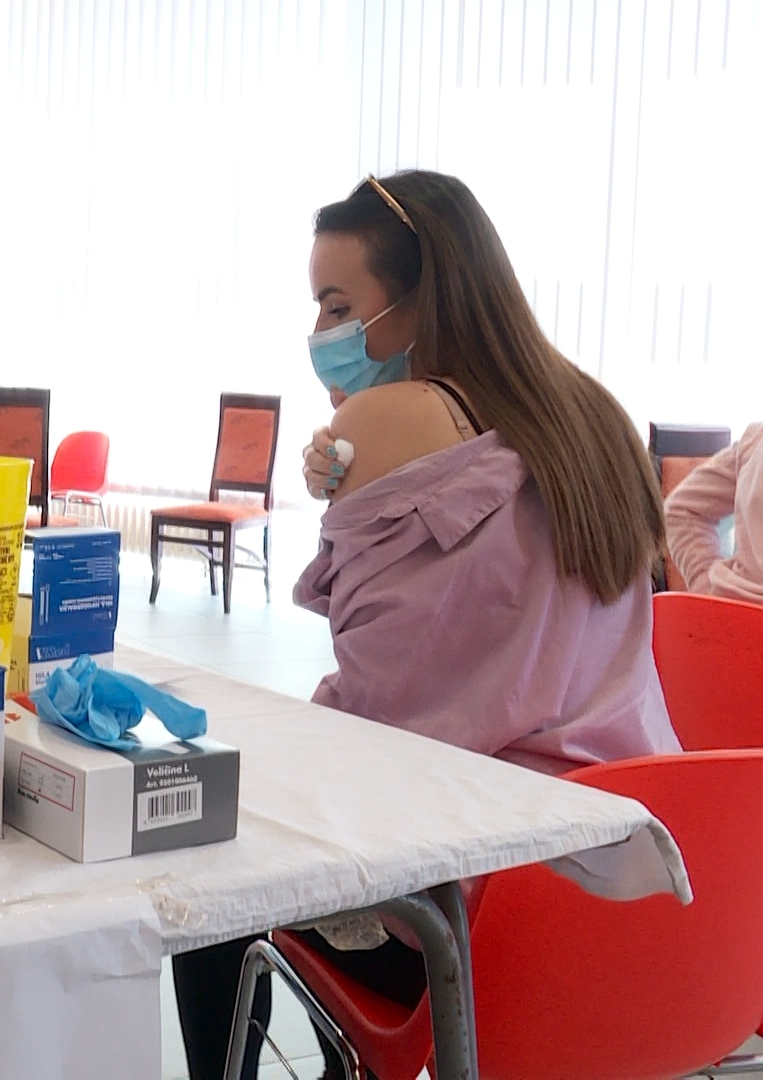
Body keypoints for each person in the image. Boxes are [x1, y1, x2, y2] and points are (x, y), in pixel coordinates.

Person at [174, 170, 680, 1080]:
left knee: (201, 867)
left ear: (417, 300)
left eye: (339, 307)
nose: (322, 334)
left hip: (466, 907)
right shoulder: (595, 418)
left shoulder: (388, 418)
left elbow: (379, 708)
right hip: (620, 881)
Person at [664, 424, 763, 604]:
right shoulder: (755, 441)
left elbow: (679, 509)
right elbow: (680, 510)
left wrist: (706, 585)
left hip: (732, 610)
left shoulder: (755, 441)